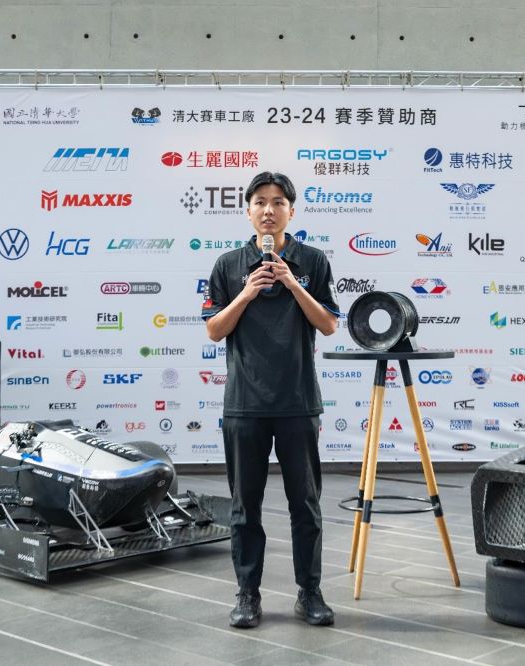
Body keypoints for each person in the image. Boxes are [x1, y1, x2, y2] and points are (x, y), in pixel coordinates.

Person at [201, 171, 340, 629]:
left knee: (306, 505)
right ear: (248, 211)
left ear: (290, 212)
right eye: (260, 201)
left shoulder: (313, 261)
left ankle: (310, 592)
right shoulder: (228, 264)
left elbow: (329, 325)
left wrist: (293, 283)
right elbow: (214, 329)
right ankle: (247, 594)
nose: (268, 210)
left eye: (278, 202)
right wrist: (247, 292)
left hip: (298, 401)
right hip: (245, 404)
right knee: (245, 508)